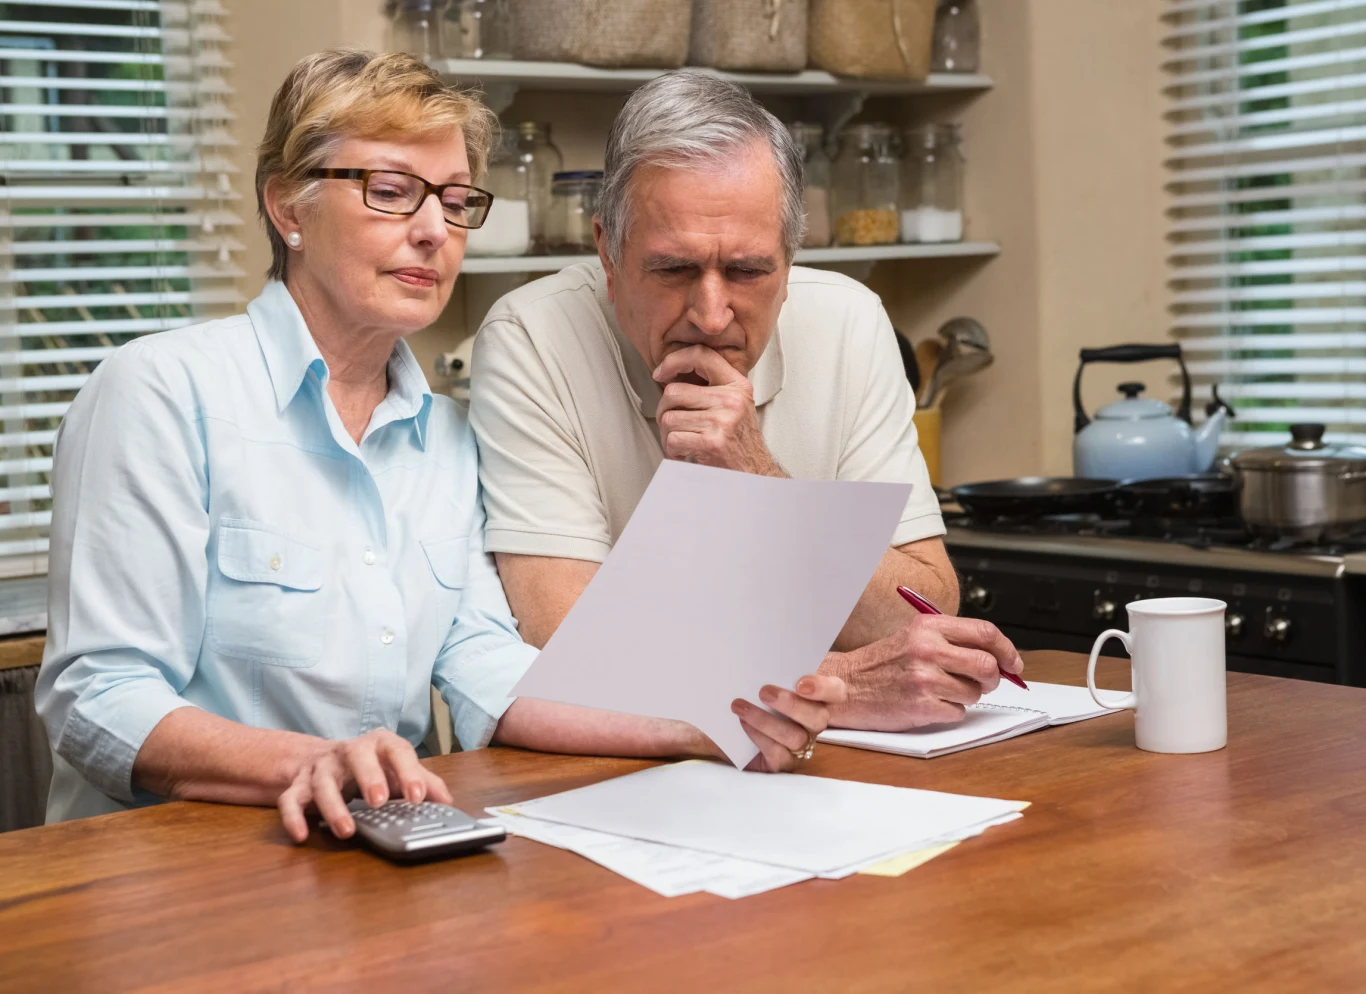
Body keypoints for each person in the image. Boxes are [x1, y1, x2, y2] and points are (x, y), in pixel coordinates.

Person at [36, 50, 837, 842]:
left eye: (455, 203)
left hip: (380, 856)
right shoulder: (160, 393)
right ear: (288, 208)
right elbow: (98, 697)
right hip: (170, 878)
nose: (432, 231)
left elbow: (488, 668)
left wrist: (706, 724)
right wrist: (313, 764)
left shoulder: (447, 438)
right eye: (391, 193)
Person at [470, 69, 1024, 749]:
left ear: (790, 262)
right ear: (608, 257)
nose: (710, 314)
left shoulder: (849, 321)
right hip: (612, 771)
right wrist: (838, 686)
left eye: (747, 271)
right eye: (672, 270)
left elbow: (923, 612)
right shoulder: (532, 337)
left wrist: (756, 476)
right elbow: (565, 647)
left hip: (828, 772)